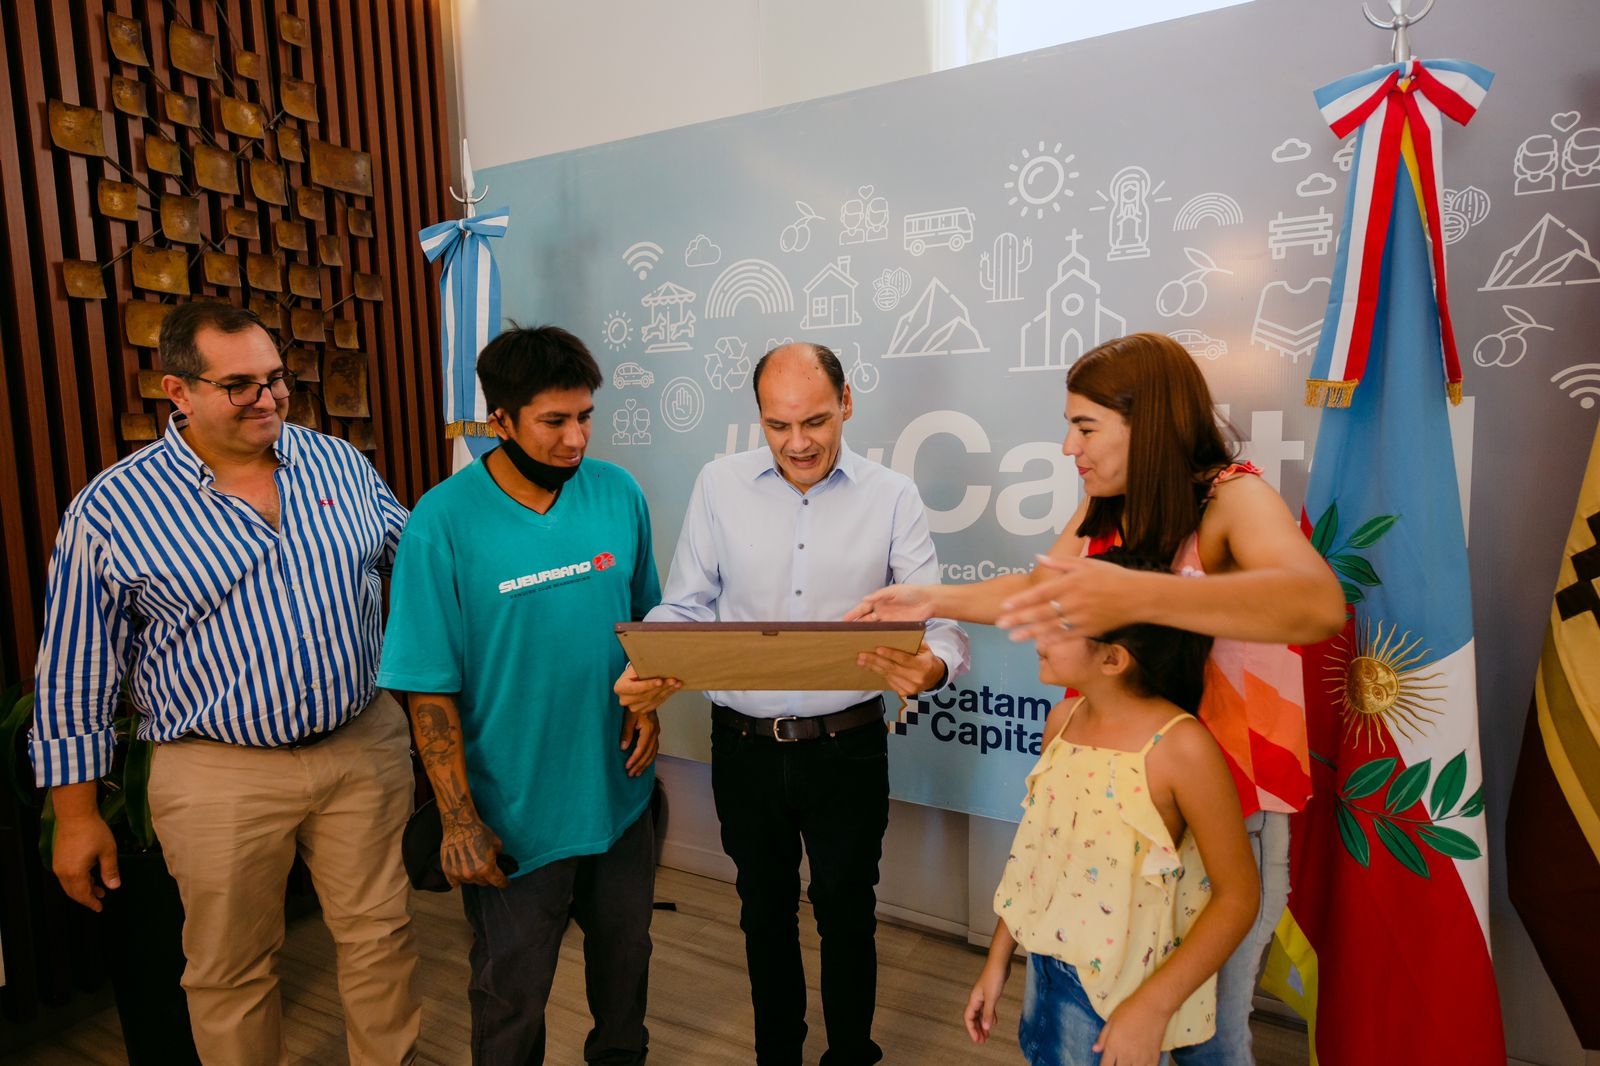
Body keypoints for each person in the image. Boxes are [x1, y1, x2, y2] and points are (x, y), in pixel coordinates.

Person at [851, 332, 1346, 1063]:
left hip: (1226, 803)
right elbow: (1044, 591)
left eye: (1085, 427)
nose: (1068, 448)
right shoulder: (1107, 502)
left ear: (1148, 424)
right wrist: (929, 599)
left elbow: (1318, 606)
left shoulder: (1233, 496)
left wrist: (1137, 592)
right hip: (1127, 804)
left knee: (1207, 1036)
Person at [30, 302, 421, 1065]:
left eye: (276, 379)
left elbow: (414, 564)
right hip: (216, 770)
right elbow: (76, 671)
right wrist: (75, 817)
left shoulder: (339, 464)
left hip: (360, 746)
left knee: (382, 938)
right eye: (240, 385)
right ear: (178, 391)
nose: (268, 399)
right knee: (230, 969)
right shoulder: (111, 510)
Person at [615, 342, 971, 1066]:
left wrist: (932, 665)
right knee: (762, 914)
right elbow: (686, 605)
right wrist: (649, 657)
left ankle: (851, 1055)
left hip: (849, 746)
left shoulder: (891, 495)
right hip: (742, 746)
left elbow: (938, 624)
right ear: (759, 417)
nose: (798, 443)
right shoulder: (719, 484)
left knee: (849, 912)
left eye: (815, 421)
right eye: (778, 425)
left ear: (847, 404)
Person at [377, 325, 662, 1066]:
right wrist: (458, 819)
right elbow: (426, 689)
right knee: (512, 998)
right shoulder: (442, 521)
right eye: (554, 421)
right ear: (500, 421)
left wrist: (649, 702)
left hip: (621, 798)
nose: (576, 439)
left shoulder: (618, 493)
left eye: (585, 417)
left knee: (626, 978)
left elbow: (649, 626)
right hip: (513, 819)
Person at [964, 551, 1259, 1066]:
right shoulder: (1062, 721)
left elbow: (1238, 897)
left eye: (1061, 621)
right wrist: (998, 959)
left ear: (1113, 659)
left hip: (1122, 1000)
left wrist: (1152, 1006)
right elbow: (1036, 856)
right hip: (1045, 974)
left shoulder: (1181, 749)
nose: (1040, 632)